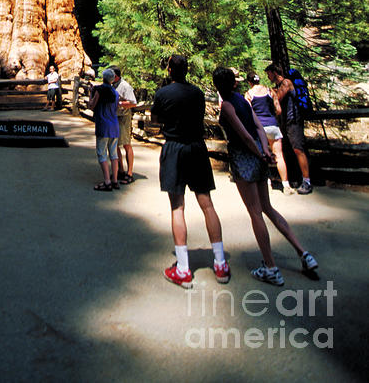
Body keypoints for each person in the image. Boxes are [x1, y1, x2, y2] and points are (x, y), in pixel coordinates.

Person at [214, 66, 318, 287]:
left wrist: (259, 153)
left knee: (255, 213)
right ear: (234, 82)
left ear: (216, 85)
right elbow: (259, 128)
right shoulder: (244, 101)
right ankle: (303, 253)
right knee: (267, 208)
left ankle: (271, 268)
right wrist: (266, 151)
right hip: (259, 157)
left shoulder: (228, 107)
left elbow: (242, 134)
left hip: (244, 159)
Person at [151, 55, 230, 287]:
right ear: (186, 70)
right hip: (197, 147)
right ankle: (221, 264)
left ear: (169, 70)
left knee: (177, 207)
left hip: (175, 148)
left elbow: (155, 120)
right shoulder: (196, 92)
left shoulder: (162, 94)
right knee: (207, 204)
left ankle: (183, 269)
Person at [265, 63, 312, 194]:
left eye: (268, 74)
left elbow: (278, 97)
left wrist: (270, 93)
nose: (268, 77)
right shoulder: (280, 85)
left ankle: (307, 181)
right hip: (287, 122)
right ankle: (297, 178)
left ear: (274, 72)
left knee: (298, 149)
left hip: (294, 121)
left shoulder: (286, 83)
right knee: (291, 150)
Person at [244, 71, 291, 193]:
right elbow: (278, 110)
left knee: (262, 155)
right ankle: (286, 185)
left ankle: (266, 182)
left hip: (259, 127)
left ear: (249, 82)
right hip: (273, 125)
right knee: (279, 155)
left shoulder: (249, 94)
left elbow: (248, 112)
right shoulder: (270, 91)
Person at [88, 67, 120, 192]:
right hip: (114, 126)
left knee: (101, 153)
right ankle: (115, 180)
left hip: (103, 125)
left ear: (104, 78)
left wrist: (90, 93)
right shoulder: (115, 93)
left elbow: (91, 106)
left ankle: (107, 182)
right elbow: (116, 108)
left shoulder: (99, 91)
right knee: (113, 153)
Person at [111, 66, 137, 184]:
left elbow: (133, 103)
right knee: (115, 145)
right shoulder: (112, 85)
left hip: (124, 118)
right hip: (114, 117)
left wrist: (120, 103)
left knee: (126, 144)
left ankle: (130, 173)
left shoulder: (125, 86)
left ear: (116, 76)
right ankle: (120, 170)